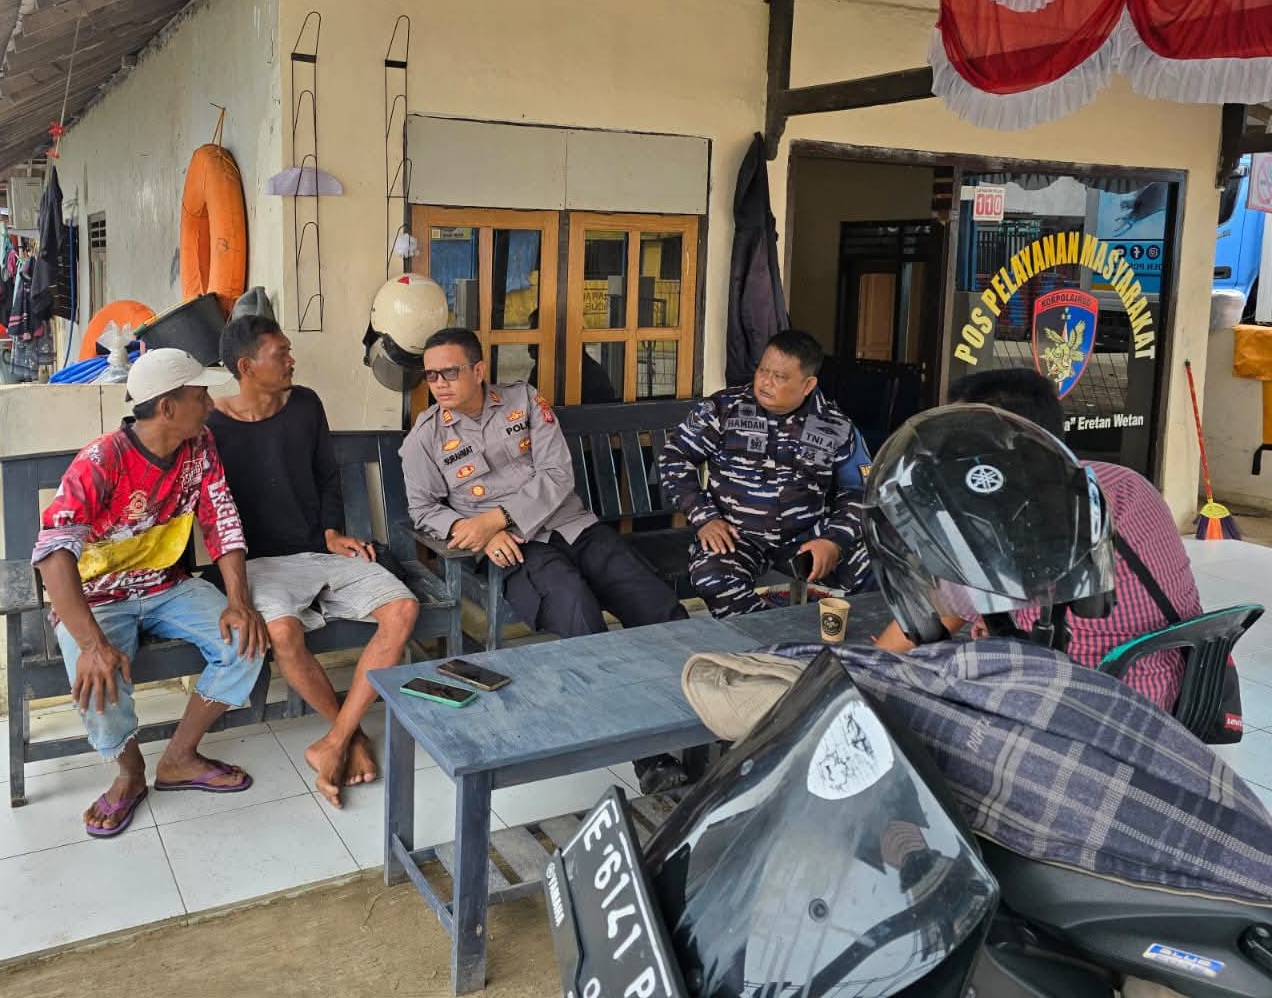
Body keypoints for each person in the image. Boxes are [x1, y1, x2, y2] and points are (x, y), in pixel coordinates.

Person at [400, 326, 688, 793]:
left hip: (571, 525)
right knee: (579, 616)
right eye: (431, 375)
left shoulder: (525, 402)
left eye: (449, 372)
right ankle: (648, 756)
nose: (439, 384)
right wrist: (475, 534)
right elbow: (423, 510)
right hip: (518, 551)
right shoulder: (425, 438)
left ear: (478, 369)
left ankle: (698, 719)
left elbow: (557, 474)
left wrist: (495, 519)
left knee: (657, 606)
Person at [32, 347, 270, 837]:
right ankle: (130, 772)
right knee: (97, 677)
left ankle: (179, 758)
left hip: (168, 586)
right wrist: (92, 645)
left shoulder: (199, 446)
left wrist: (238, 602)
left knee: (246, 643)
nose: (210, 405)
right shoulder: (101, 461)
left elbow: (221, 517)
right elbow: (54, 554)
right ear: (167, 407)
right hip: (97, 598)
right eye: (200, 396)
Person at [873, 368, 1204, 712]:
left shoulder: (1017, 505)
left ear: (1000, 441)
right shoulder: (1127, 480)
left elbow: (934, 618)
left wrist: (867, 669)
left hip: (1094, 701)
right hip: (1183, 682)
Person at [209, 315, 420, 808]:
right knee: (283, 634)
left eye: (288, 350)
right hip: (258, 564)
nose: (291, 360)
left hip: (319, 552)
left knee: (403, 610)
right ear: (246, 367)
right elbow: (210, 513)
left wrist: (331, 533)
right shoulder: (211, 426)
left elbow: (327, 476)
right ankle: (351, 736)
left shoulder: (305, 404)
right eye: (280, 354)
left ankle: (335, 740)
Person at [658, 329, 870, 619]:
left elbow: (859, 490)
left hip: (809, 536)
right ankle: (767, 638)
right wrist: (704, 517)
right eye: (762, 370)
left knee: (880, 564)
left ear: (808, 384)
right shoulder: (724, 409)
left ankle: (859, 640)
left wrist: (834, 540)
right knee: (713, 577)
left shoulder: (835, 426)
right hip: (736, 535)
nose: (765, 382)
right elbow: (675, 456)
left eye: (779, 376)